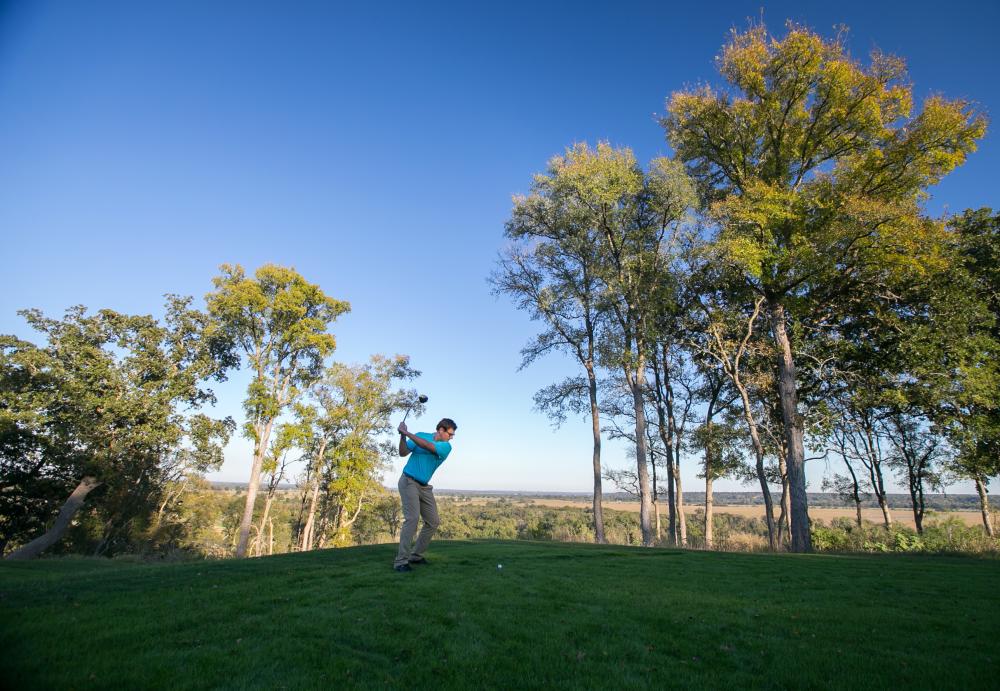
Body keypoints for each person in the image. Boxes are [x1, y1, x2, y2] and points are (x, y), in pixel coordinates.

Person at [393, 417, 457, 572]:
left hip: (424, 487)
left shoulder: (446, 447)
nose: (452, 437)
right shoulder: (421, 434)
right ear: (441, 430)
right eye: (450, 433)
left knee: (433, 521)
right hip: (408, 481)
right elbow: (403, 452)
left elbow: (427, 446)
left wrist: (407, 432)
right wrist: (402, 436)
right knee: (412, 519)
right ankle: (401, 561)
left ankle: (415, 555)